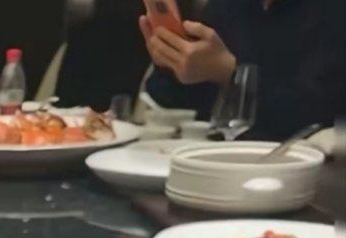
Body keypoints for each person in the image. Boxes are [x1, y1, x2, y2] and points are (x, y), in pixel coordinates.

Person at [140, 0, 344, 141]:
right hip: (214, 157)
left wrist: (231, 73)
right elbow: (174, 101)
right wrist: (172, 62)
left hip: (303, 171)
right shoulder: (230, 6)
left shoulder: (332, 12)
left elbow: (318, 115)